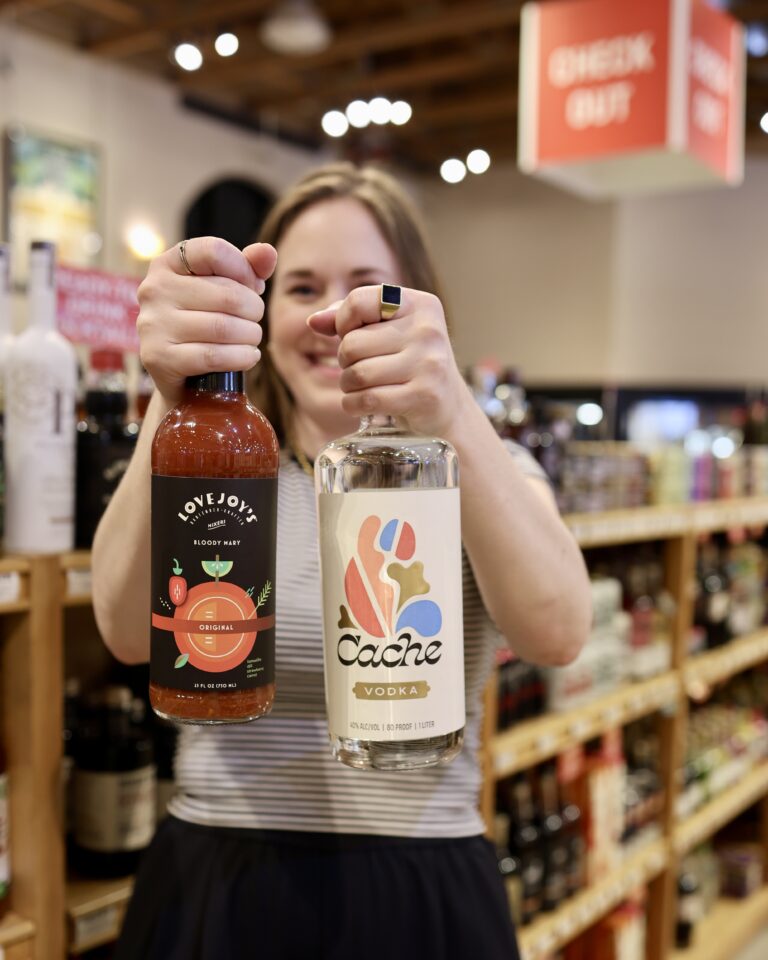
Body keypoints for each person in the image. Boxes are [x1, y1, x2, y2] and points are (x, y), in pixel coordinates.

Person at [93, 162, 591, 960]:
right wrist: (171, 391)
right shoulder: (226, 453)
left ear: (421, 306)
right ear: (255, 311)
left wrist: (451, 408)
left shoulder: (460, 461)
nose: (330, 317)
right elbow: (124, 632)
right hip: (219, 873)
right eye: (300, 288)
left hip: (419, 881)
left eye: (367, 287)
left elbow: (559, 633)